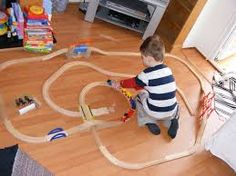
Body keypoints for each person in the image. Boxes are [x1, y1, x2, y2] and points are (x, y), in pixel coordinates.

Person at [112, 35, 179, 139]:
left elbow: (132, 83)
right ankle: (173, 121)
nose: (142, 59)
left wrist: (120, 84)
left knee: (138, 99)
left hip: (153, 111)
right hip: (170, 111)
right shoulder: (168, 70)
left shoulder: (145, 75)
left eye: (142, 57)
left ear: (149, 59)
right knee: (175, 103)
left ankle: (148, 120)